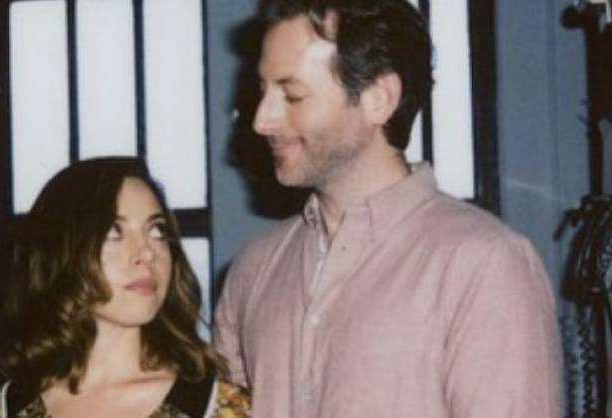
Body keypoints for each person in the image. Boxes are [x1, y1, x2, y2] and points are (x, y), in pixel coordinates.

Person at [213, 1, 562, 417]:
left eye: (293, 95)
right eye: (263, 91)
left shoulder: (485, 266)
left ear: (379, 99)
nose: (261, 120)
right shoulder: (252, 271)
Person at [0, 157, 250, 418]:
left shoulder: (221, 407)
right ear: (62, 252)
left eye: (157, 230)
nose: (147, 252)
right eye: (114, 232)